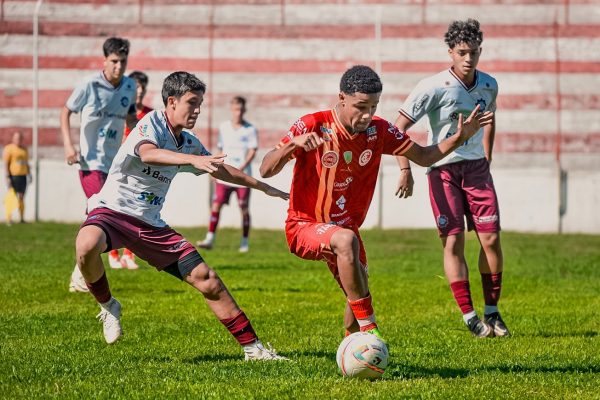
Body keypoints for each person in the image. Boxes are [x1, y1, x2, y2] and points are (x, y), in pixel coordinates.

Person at [259, 65, 492, 339]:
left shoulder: (379, 130)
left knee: (357, 289)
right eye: (360, 106)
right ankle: (371, 328)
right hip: (304, 225)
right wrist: (291, 146)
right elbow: (265, 169)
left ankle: (354, 347)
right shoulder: (313, 124)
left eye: (374, 106)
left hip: (347, 230)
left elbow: (425, 157)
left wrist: (459, 139)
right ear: (342, 98)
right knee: (345, 243)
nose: (368, 114)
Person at [75, 71, 289, 360]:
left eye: (200, 103)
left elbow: (221, 169)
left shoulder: (187, 142)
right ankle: (108, 305)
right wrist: (192, 159)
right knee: (86, 244)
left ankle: (254, 349)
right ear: (172, 102)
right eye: (192, 103)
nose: (197, 110)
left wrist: (263, 187)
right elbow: (148, 154)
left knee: (207, 279)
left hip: (150, 224)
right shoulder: (150, 123)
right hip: (112, 212)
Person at [394, 19, 509, 338]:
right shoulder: (431, 87)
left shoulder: (489, 84)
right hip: (442, 171)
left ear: (480, 51)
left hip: (476, 171)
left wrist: (487, 156)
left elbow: (490, 118)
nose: (468, 58)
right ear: (450, 53)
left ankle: (492, 312)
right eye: (462, 53)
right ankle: (470, 316)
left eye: (473, 52)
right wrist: (405, 169)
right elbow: (397, 129)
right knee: (454, 241)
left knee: (491, 240)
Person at [60, 37, 137, 291]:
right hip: (90, 162)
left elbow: (131, 119)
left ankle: (80, 270)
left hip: (114, 163)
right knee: (101, 210)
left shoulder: (129, 86)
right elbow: (66, 112)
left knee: (99, 212)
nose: (119, 66)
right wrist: (69, 146)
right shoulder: (89, 84)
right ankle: (81, 274)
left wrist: (140, 148)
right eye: (114, 61)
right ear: (105, 60)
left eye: (123, 62)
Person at [197, 96, 258, 252]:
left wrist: (243, 166)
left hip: (243, 175)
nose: (238, 113)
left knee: (243, 207)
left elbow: (253, 150)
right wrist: (214, 168)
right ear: (231, 110)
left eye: (240, 109)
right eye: (235, 109)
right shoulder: (224, 127)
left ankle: (244, 241)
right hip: (224, 174)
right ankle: (210, 238)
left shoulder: (250, 129)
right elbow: (220, 149)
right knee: (216, 205)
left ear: (244, 110)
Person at [107, 70, 154, 270]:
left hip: (139, 169)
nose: (140, 92)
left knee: (136, 209)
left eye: (143, 88)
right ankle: (113, 254)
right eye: (136, 88)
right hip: (118, 166)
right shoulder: (120, 111)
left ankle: (128, 255)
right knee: (114, 207)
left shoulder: (150, 114)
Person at [3, 131, 31, 225]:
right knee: (12, 197)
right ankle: (8, 218)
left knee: (21, 197)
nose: (18, 140)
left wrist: (29, 173)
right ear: (13, 139)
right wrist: (7, 176)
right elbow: (6, 163)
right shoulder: (9, 149)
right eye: (16, 138)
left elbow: (26, 163)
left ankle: (21, 218)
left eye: (19, 138)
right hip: (13, 176)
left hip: (23, 176)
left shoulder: (24, 149)